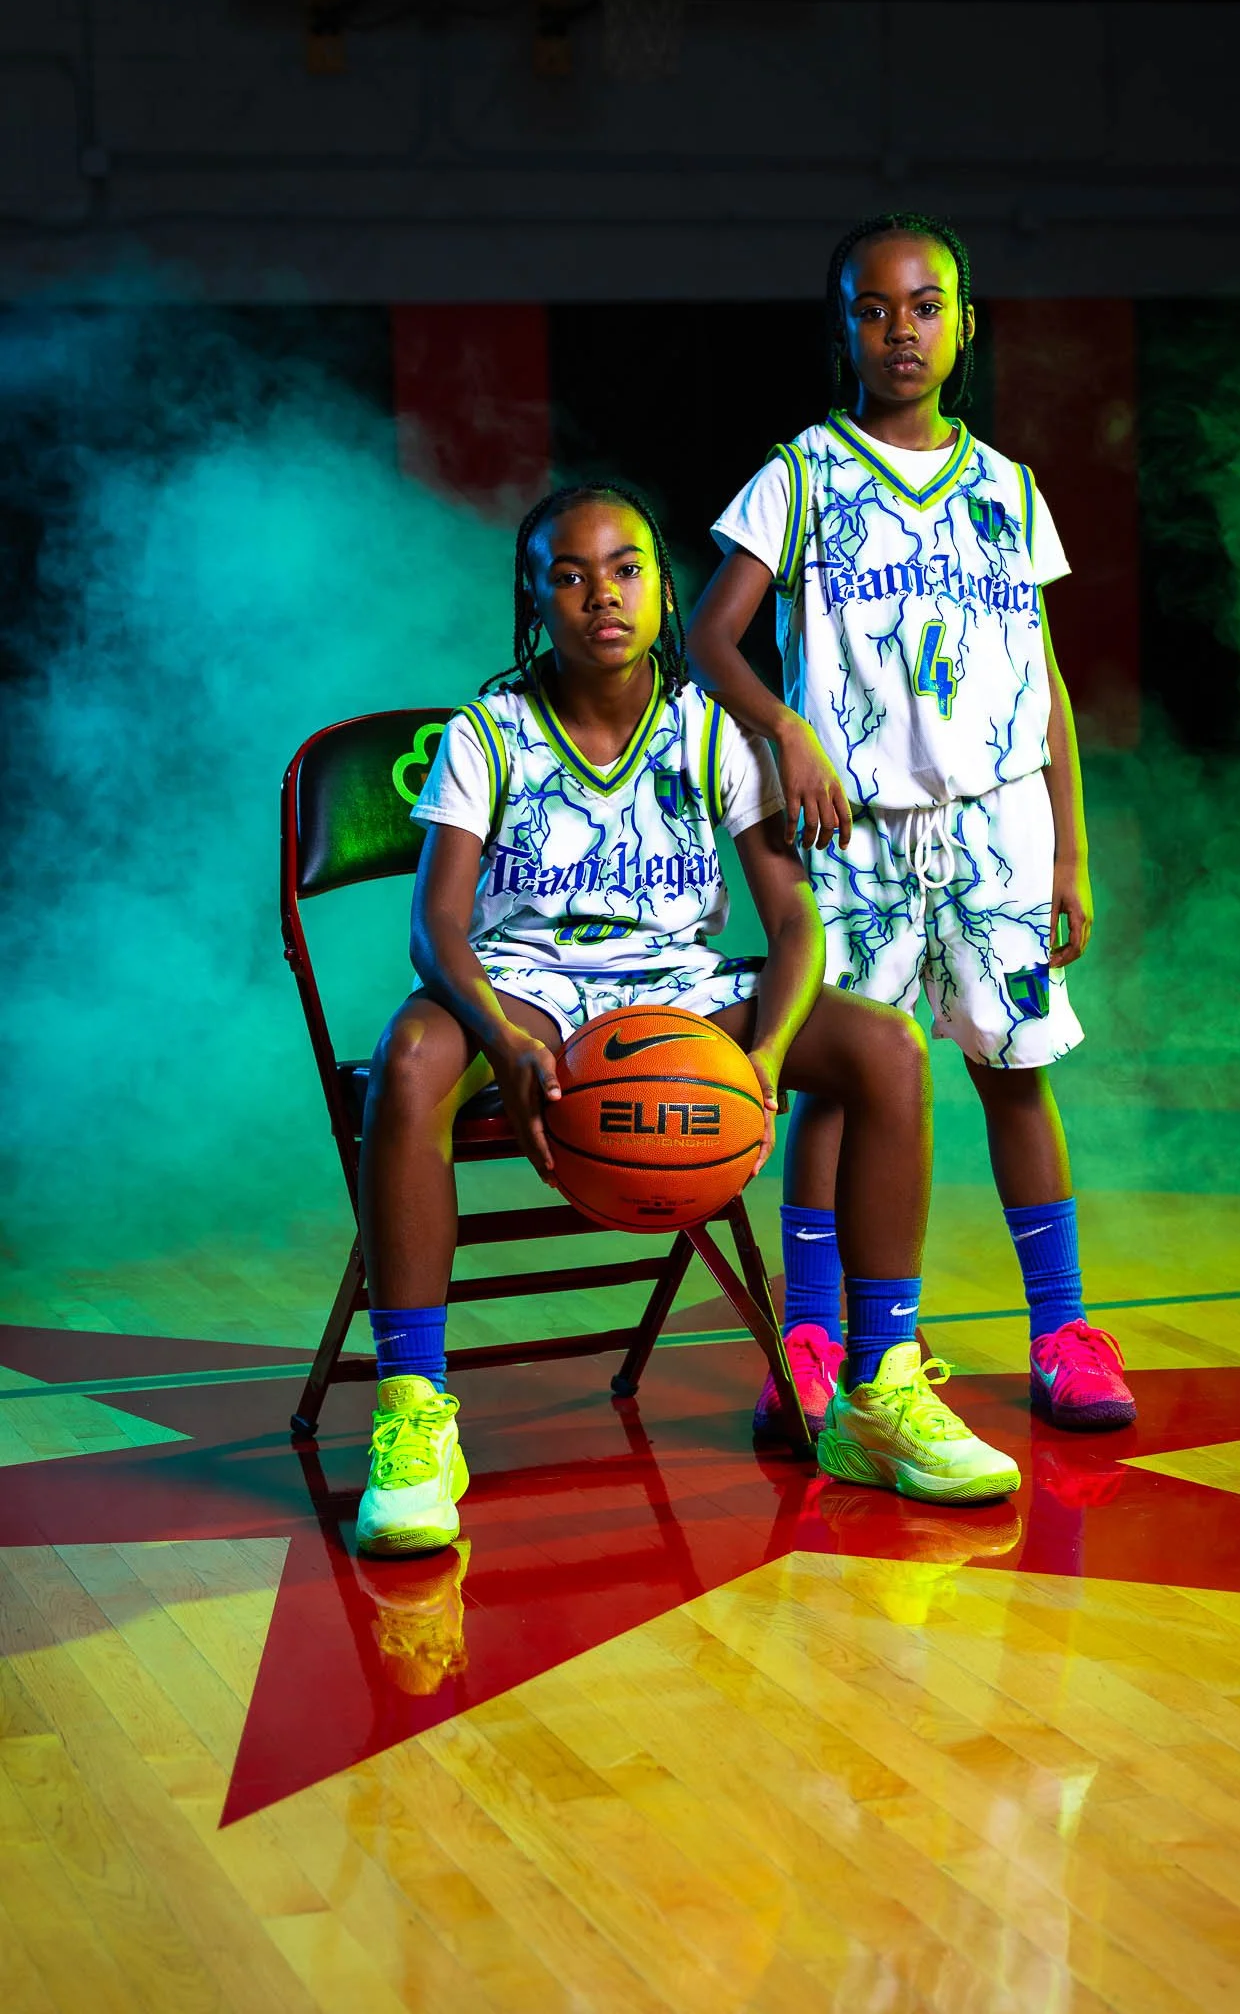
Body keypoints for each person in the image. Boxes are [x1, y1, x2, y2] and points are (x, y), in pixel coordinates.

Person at [354, 483, 1020, 1558]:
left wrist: (759, 1052)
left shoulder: (713, 733)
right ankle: (414, 1415)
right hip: (536, 980)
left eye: (625, 568)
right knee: (415, 1049)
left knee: (889, 1047)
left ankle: (877, 1392)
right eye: (567, 575)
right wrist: (500, 1033)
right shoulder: (492, 732)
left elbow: (795, 924)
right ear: (533, 602)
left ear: (664, 591)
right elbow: (437, 930)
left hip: (685, 988)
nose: (600, 595)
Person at [689, 210, 1136, 1441]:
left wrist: (1072, 852)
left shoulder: (1008, 489)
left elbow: (1042, 681)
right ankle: (820, 1331)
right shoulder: (801, 474)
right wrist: (788, 730)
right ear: (843, 327)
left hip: (998, 827)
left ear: (965, 323)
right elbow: (709, 638)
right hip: (858, 833)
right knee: (839, 1090)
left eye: (925, 304)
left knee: (1017, 1074)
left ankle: (1062, 1331)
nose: (901, 328)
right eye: (874, 308)